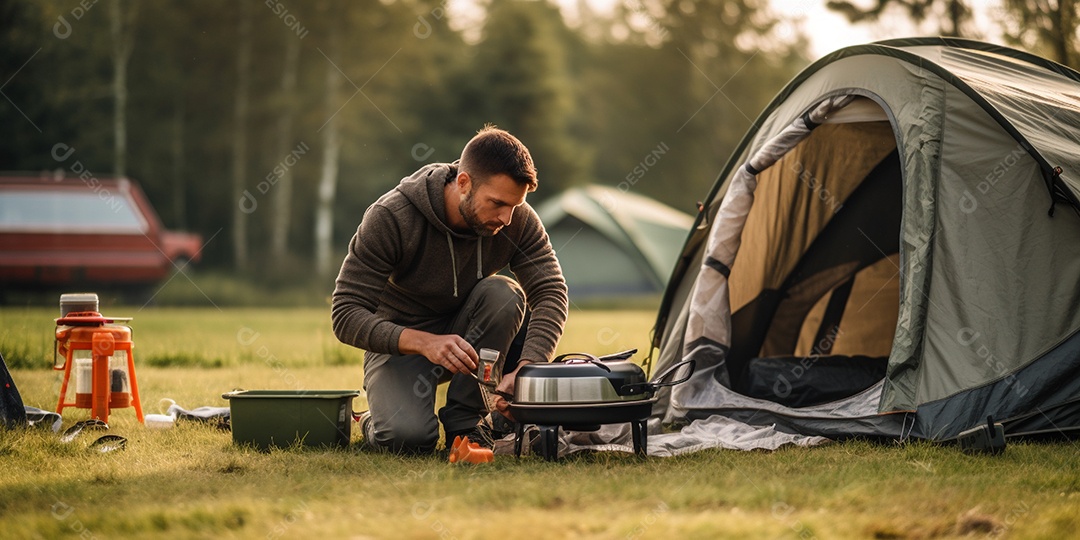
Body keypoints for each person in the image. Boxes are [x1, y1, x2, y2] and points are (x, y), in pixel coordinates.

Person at [331, 126, 569, 454]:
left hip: (474, 338)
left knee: (503, 294)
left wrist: (529, 367)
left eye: (515, 205)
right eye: (497, 203)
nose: (507, 218)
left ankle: (468, 422)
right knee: (406, 439)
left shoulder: (518, 220)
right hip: (403, 343)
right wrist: (424, 343)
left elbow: (551, 291)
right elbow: (345, 313)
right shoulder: (391, 217)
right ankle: (374, 421)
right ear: (463, 183)